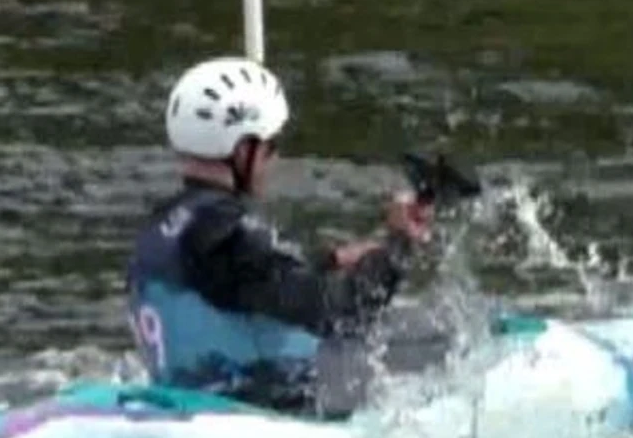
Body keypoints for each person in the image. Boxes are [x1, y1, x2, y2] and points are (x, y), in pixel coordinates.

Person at [127, 56, 435, 415]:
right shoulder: (231, 235)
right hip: (251, 410)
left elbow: (243, 279)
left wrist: (334, 259)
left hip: (191, 391)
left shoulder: (163, 222)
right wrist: (399, 247)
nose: (273, 160)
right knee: (426, 345)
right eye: (270, 146)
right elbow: (343, 310)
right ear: (243, 150)